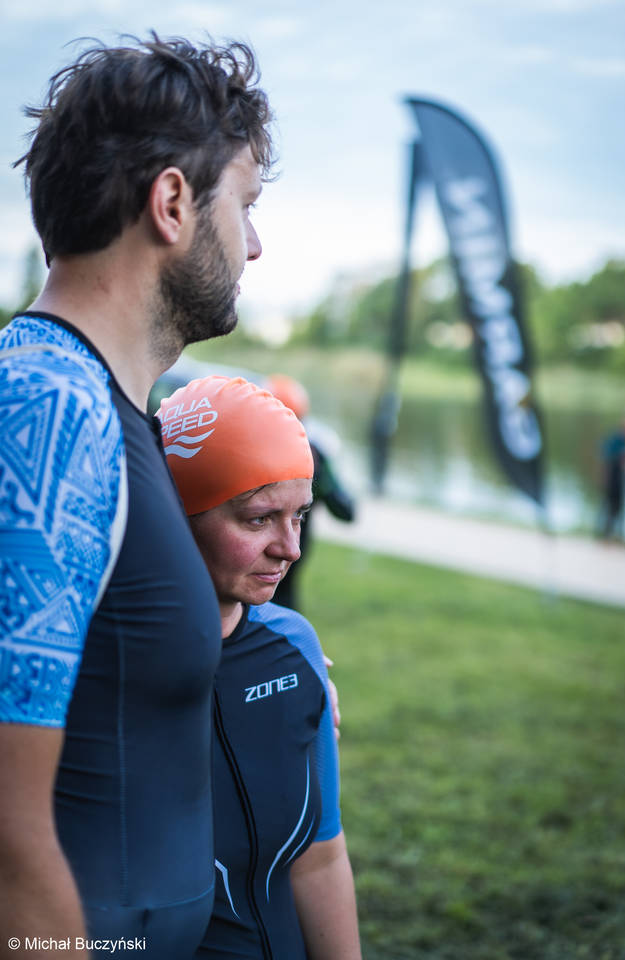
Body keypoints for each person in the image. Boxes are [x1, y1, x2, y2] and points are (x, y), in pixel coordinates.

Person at [0, 35, 273, 957]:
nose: (255, 245)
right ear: (171, 204)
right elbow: (5, 830)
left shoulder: (97, 403)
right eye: (244, 206)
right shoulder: (49, 406)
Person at [158, 375, 362, 960]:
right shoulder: (107, 667)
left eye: (300, 515)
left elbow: (320, 856)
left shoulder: (295, 646)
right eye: (258, 519)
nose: (290, 547)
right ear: (177, 514)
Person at [265, 374, 356, 611]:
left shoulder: (313, 455)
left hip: (286, 560)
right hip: (291, 554)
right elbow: (345, 510)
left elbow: (345, 510)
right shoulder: (313, 453)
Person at [597, 414, 625, 540]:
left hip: (622, 477)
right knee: (611, 505)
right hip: (614, 476)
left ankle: (617, 535)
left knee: (620, 506)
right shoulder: (617, 438)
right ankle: (606, 535)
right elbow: (606, 454)